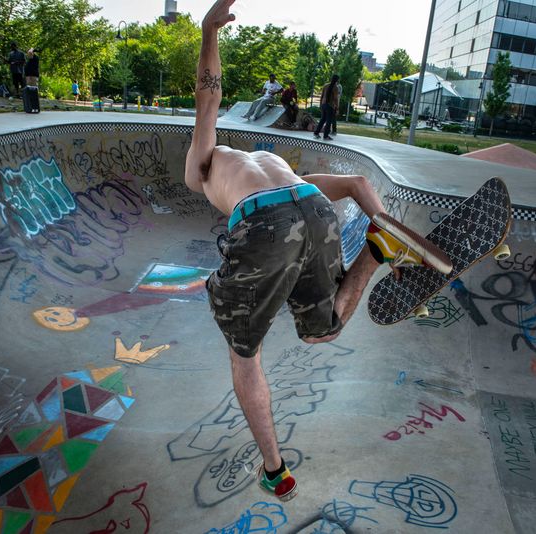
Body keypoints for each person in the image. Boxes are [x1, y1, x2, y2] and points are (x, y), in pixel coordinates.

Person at [186, 0, 452, 503]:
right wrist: (386, 224)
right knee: (321, 329)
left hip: (262, 223)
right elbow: (355, 181)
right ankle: (376, 251)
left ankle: (274, 469)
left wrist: (208, 33)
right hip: (311, 208)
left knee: (246, 355)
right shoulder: (281, 167)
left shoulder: (205, 162)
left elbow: (207, 100)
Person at [313, 74, 340, 140]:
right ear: (337, 80)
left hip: (323, 104)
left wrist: (320, 105)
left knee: (323, 119)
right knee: (329, 121)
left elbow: (322, 96)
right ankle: (325, 136)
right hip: (330, 105)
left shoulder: (325, 85)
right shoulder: (335, 87)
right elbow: (336, 99)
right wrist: (337, 108)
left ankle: (316, 133)